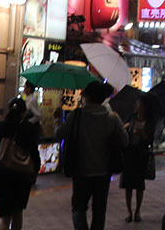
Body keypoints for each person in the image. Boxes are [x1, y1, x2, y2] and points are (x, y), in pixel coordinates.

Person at [62, 80, 126, 230]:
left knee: (78, 208)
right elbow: (125, 140)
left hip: (80, 171)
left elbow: (60, 133)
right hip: (103, 172)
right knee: (99, 211)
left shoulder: (76, 116)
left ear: (88, 97)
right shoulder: (112, 118)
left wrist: (59, 120)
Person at [0, 95, 41, 230]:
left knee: (5, 216)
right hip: (22, 174)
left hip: (4, 173)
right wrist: (36, 168)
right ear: (24, 112)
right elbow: (34, 151)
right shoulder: (29, 128)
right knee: (18, 212)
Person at [120, 97, 155, 222]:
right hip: (129, 154)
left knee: (139, 185)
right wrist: (126, 127)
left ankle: (137, 211)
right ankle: (129, 211)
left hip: (141, 154)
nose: (136, 106)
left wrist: (142, 134)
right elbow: (121, 132)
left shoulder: (149, 122)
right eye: (136, 104)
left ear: (144, 107)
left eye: (139, 104)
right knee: (128, 185)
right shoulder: (131, 118)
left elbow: (150, 140)